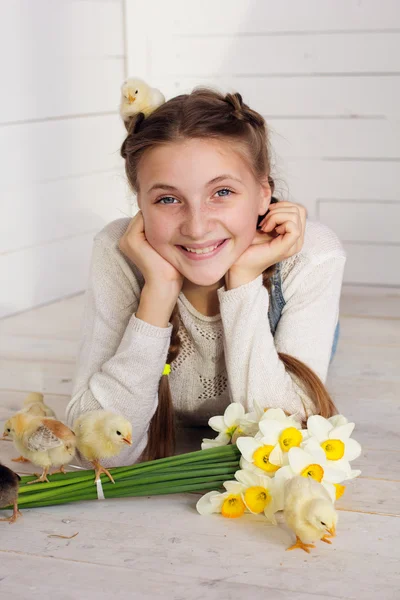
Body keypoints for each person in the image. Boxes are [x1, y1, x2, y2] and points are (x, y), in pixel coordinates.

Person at [65, 87, 346, 467]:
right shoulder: (120, 250)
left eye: (222, 192)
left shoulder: (311, 254)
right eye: (167, 199)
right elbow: (93, 452)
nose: (196, 228)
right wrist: (158, 293)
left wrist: (244, 280)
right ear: (140, 202)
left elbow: (286, 444)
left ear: (264, 193)